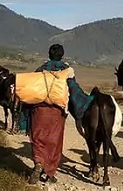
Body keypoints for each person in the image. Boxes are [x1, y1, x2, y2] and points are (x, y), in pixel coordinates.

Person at [25, 43, 94, 185]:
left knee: (38, 138)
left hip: (39, 110)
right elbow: (74, 92)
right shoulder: (66, 71)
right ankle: (50, 173)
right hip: (57, 112)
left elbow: (31, 90)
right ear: (62, 56)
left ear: (49, 55)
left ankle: (38, 162)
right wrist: (85, 104)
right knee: (54, 141)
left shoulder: (40, 69)